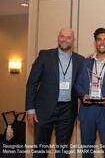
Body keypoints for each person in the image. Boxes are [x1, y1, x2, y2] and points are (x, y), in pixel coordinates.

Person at [26, 27, 84, 158]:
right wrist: (30, 109)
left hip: (67, 111)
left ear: (73, 40)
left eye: (68, 37)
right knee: (40, 149)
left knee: (63, 150)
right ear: (58, 37)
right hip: (43, 110)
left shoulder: (80, 60)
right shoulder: (44, 56)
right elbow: (32, 83)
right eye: (62, 36)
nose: (65, 39)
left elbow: (84, 81)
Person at [74, 28, 105, 158]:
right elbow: (77, 84)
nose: (102, 42)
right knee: (87, 152)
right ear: (95, 42)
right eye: (99, 39)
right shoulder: (85, 63)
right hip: (87, 112)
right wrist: (82, 95)